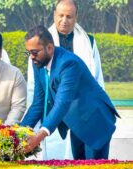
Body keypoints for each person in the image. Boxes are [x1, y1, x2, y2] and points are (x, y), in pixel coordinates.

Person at [21, 25, 119, 160]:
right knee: (78, 164)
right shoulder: (38, 62)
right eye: (28, 53)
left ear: (49, 48)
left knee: (95, 166)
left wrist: (39, 136)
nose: (31, 57)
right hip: (76, 122)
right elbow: (39, 102)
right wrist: (18, 133)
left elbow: (62, 103)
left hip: (95, 121)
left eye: (35, 52)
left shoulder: (68, 64)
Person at [26, 0, 104, 160]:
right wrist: (22, 129)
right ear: (54, 14)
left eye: (69, 16)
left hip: (84, 113)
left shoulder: (89, 42)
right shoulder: (38, 44)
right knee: (55, 158)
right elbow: (36, 90)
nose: (64, 20)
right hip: (54, 112)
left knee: (87, 161)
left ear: (76, 17)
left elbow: (97, 78)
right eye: (61, 15)